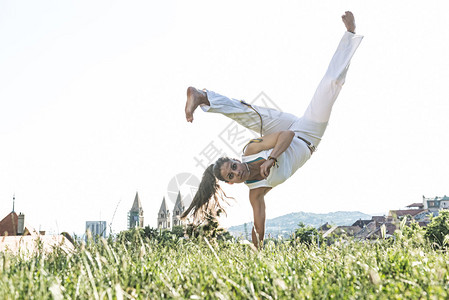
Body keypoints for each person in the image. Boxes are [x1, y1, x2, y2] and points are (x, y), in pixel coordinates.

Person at [182, 11, 363, 248]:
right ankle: (348, 37)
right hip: (308, 135)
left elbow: (286, 135)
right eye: (231, 176)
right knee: (331, 86)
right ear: (231, 183)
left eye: (233, 166)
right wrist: (257, 253)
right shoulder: (255, 193)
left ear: (236, 160)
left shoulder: (249, 150)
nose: (237, 172)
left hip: (287, 133)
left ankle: (203, 97)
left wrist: (271, 159)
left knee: (250, 115)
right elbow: (259, 226)